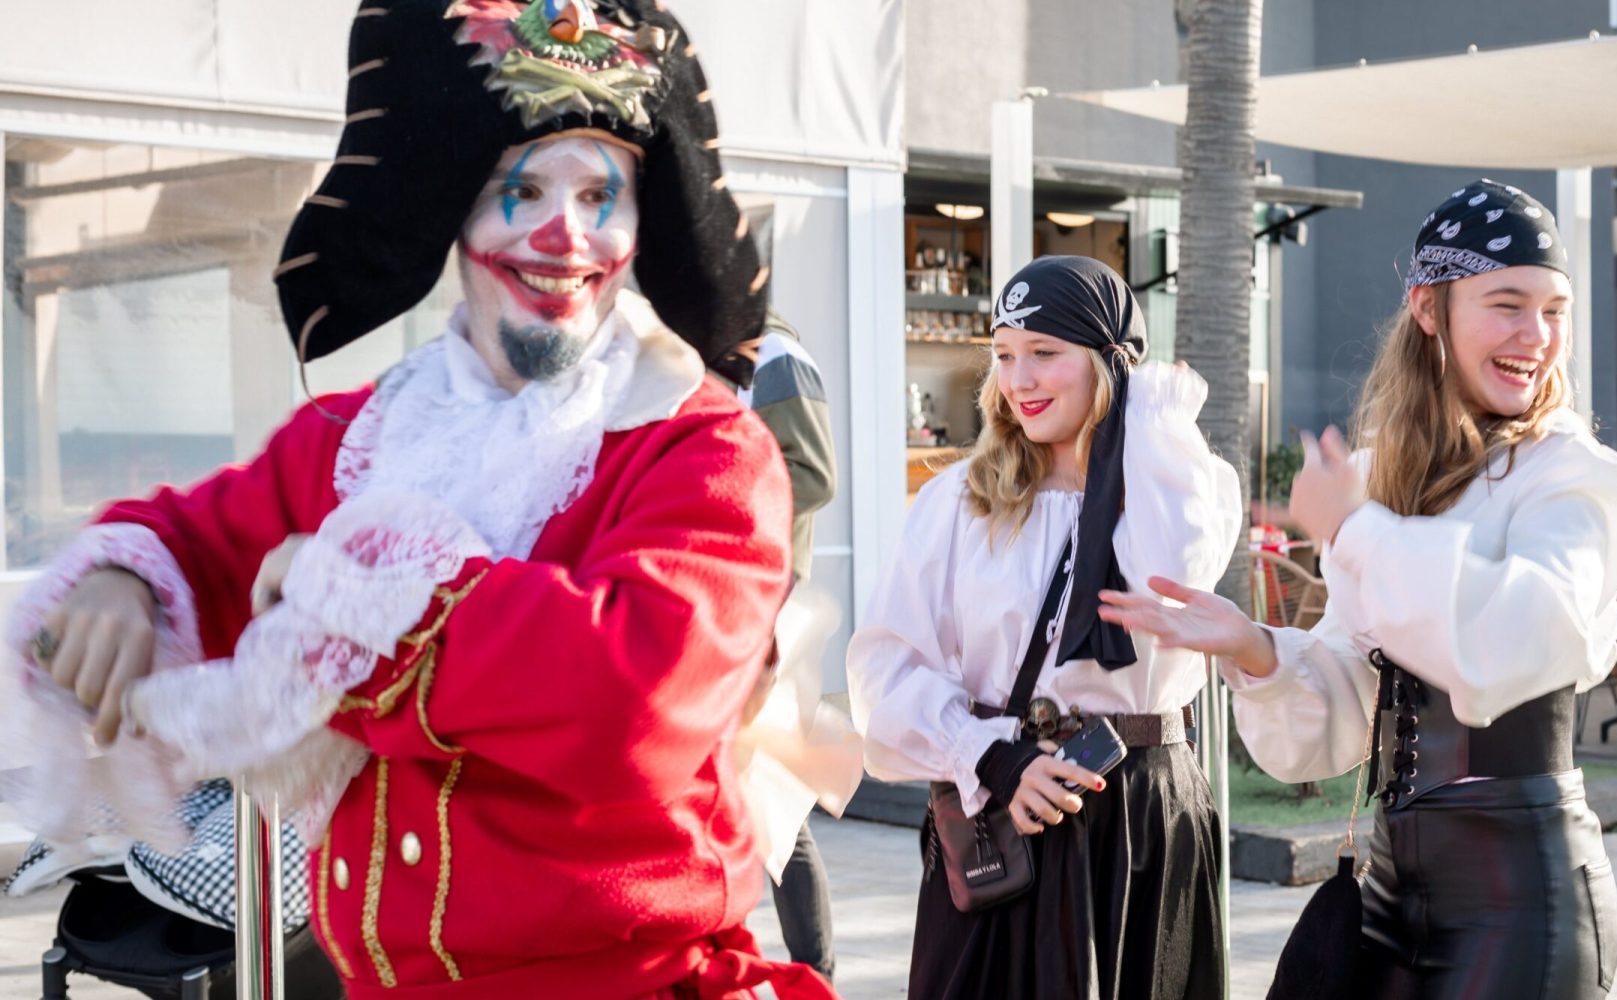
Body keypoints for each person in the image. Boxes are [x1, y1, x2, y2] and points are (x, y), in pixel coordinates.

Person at [0, 1, 834, 996]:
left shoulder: (702, 447)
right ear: (452, 208)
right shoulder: (359, 438)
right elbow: (205, 536)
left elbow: (633, 701)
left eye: (601, 194)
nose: (566, 234)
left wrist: (352, 602)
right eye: (519, 188)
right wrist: (123, 582)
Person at [1101, 181, 1617, 998]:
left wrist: (1354, 532)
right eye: (1507, 304)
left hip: (1522, 901)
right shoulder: (1383, 482)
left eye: (1554, 309)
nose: (1537, 336)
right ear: (1430, 309)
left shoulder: (1578, 480)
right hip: (1390, 898)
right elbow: (1352, 713)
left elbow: (1517, 639)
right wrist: (1258, 650)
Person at [847, 255, 1241, 999]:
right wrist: (994, 760)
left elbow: (1175, 580)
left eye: (1045, 353)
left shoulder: (1182, 486)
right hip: (1003, 808)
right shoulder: (961, 500)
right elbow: (885, 670)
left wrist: (1154, 421)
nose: (1018, 379)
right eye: (1003, 355)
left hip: (1140, 822)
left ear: (1109, 362)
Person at [731, 311, 841, 981]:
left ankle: (819, 978)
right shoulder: (700, 353)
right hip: (726, 604)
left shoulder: (773, 354)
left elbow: (814, 474)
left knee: (776, 809)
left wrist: (714, 511)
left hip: (765, 610)